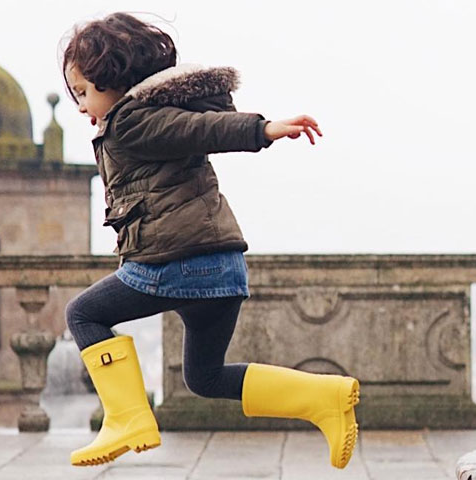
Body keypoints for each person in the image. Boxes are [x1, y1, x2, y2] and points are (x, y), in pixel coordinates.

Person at [62, 12, 359, 470]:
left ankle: (128, 418)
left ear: (114, 78)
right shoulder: (141, 118)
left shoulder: (132, 122)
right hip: (221, 269)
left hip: (178, 263)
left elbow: (201, 130)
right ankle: (325, 396)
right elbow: (192, 128)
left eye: (84, 92)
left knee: (82, 313)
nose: (81, 106)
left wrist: (261, 130)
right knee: (204, 377)